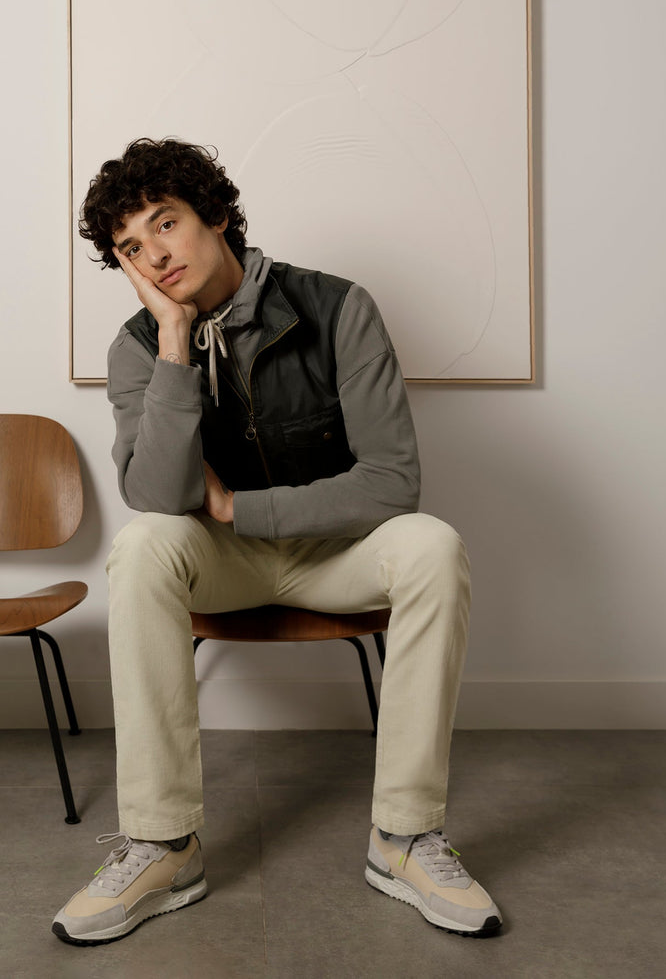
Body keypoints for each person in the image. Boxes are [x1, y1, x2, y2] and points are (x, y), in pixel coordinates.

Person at [52, 137, 501, 946]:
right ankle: (164, 846)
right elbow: (157, 497)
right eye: (131, 247)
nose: (155, 255)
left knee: (431, 545)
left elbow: (392, 483)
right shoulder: (138, 346)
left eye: (166, 223)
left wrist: (240, 510)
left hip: (336, 555)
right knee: (144, 545)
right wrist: (175, 342)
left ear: (216, 215)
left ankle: (404, 837)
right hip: (220, 567)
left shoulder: (338, 308)